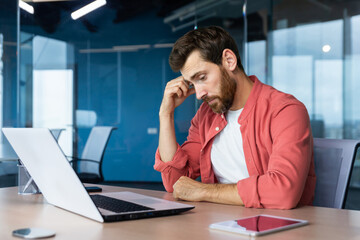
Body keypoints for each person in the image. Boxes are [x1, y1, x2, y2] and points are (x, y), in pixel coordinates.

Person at [154, 26, 316, 209]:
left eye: (202, 77)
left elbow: (283, 193)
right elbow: (174, 182)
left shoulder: (285, 111)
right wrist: (165, 114)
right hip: (217, 223)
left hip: (275, 226)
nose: (198, 94)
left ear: (229, 60)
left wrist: (203, 191)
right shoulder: (205, 116)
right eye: (192, 83)